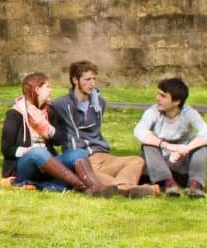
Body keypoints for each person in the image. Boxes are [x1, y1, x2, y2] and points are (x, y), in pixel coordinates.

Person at [47, 60, 159, 198]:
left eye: (94, 79)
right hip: (82, 160)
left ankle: (122, 187)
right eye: (87, 79)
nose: (92, 83)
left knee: (137, 161)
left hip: (102, 155)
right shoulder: (60, 105)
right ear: (75, 80)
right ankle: (131, 189)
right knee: (89, 175)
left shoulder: (99, 103)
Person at [0, 72, 106, 195]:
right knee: (37, 152)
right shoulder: (15, 114)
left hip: (49, 163)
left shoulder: (50, 111)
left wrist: (46, 128)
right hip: (24, 165)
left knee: (78, 153)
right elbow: (6, 148)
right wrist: (28, 151)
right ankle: (81, 186)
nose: (51, 90)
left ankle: (96, 187)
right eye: (47, 87)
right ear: (38, 90)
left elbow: (58, 140)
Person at [133, 77, 207, 198]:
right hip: (156, 168)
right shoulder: (153, 112)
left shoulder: (188, 112)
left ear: (177, 101)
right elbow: (138, 131)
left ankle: (195, 185)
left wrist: (185, 149)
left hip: (179, 165)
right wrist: (169, 146)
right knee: (148, 143)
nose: (157, 99)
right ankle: (167, 184)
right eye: (158, 94)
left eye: (163, 96)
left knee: (201, 145)